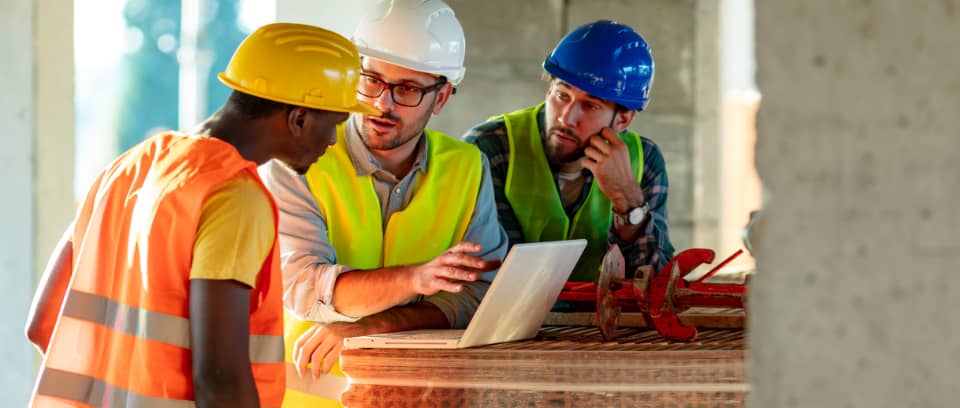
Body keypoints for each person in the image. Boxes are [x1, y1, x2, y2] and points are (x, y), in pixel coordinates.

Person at [24, 23, 378, 407]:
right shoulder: (233, 195)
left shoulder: (126, 169)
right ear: (300, 118)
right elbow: (219, 382)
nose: (332, 140)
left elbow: (44, 325)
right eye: (336, 123)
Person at [259, 1, 507, 405]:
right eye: (371, 79)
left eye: (407, 89)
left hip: (420, 397)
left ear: (441, 97)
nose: (382, 103)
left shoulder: (466, 167)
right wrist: (415, 281)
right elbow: (304, 287)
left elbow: (476, 296)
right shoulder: (299, 158)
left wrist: (372, 327)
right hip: (308, 395)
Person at [464, 20, 675, 286]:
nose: (566, 118)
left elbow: (658, 285)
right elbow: (494, 275)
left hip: (604, 326)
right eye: (562, 96)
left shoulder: (644, 161)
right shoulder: (491, 148)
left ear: (623, 120)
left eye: (590, 106)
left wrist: (629, 201)